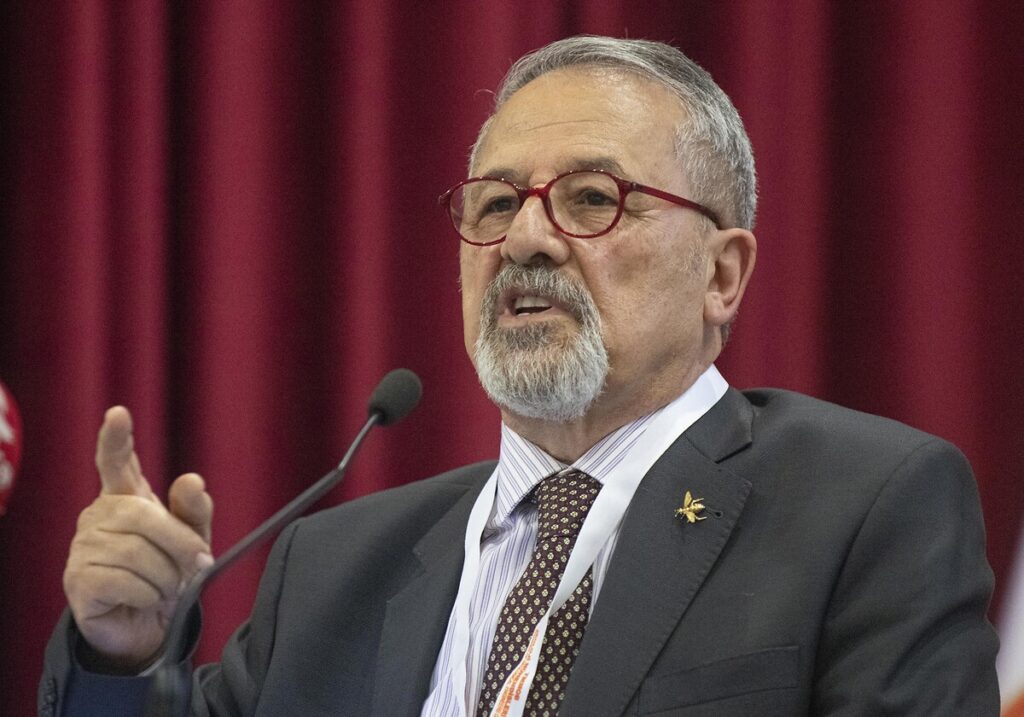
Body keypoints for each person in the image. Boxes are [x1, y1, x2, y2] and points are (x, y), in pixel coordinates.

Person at [40, 35, 999, 716]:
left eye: (593, 197)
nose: (526, 239)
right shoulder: (331, 567)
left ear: (721, 275)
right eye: (497, 204)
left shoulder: (863, 507)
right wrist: (121, 655)